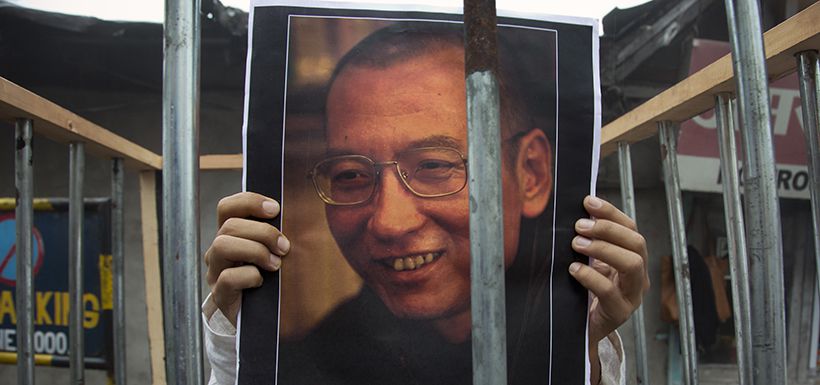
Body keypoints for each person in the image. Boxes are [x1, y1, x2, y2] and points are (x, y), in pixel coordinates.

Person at [203, 23, 648, 385]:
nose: (390, 222)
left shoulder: (563, 323)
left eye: (435, 166)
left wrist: (581, 345)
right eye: (351, 176)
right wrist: (238, 339)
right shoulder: (312, 357)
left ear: (530, 173)